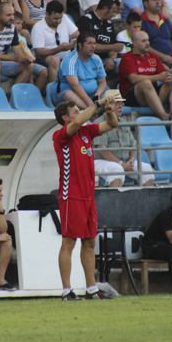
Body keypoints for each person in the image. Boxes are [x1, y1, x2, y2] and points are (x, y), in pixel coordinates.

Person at [52, 92, 119, 300]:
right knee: (69, 242)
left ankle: (91, 289)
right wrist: (97, 104)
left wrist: (109, 111)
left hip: (89, 196)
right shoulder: (62, 134)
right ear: (66, 117)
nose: (79, 114)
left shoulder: (85, 132)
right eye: (75, 111)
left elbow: (111, 125)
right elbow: (81, 119)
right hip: (71, 195)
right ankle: (66, 291)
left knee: (90, 242)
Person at [119, 30, 172, 120]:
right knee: (146, 83)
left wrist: (167, 77)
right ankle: (164, 116)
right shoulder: (127, 57)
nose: (147, 43)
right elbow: (133, 79)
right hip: (132, 96)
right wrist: (157, 77)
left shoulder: (153, 56)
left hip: (151, 94)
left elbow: (163, 74)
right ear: (135, 44)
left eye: (148, 40)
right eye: (144, 41)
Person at [93, 98, 154, 187]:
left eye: (122, 104)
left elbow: (133, 144)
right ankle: (115, 200)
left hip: (124, 161)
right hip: (101, 161)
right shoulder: (99, 123)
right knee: (117, 169)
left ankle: (148, 200)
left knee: (146, 169)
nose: (121, 107)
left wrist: (131, 159)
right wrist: (120, 163)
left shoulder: (123, 122)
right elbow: (102, 150)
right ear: (108, 105)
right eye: (117, 103)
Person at [54, 32, 106, 108]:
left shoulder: (96, 59)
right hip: (67, 97)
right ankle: (91, 110)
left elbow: (102, 82)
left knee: (109, 93)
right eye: (89, 43)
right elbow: (75, 85)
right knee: (69, 94)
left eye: (94, 43)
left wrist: (97, 96)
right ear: (80, 45)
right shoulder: (70, 60)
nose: (93, 46)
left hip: (91, 96)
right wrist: (89, 102)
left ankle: (93, 109)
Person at [31, 1, 78, 86]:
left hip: (65, 57)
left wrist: (74, 42)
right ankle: (53, 90)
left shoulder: (65, 18)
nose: (59, 21)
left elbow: (78, 35)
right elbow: (39, 54)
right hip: (44, 59)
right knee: (55, 59)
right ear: (47, 14)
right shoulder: (38, 27)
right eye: (56, 18)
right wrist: (59, 49)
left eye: (60, 18)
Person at [140, 0, 172, 66]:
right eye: (154, 0)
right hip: (153, 60)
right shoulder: (141, 21)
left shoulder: (165, 20)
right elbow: (144, 46)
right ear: (146, 4)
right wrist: (164, 57)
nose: (158, 2)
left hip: (171, 59)